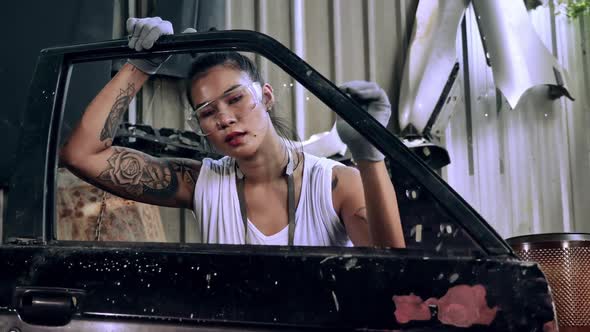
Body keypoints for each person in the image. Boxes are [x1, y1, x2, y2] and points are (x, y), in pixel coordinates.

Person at [59, 17, 405, 248]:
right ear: (200, 126)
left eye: (236, 99)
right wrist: (141, 66)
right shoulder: (201, 183)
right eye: (207, 112)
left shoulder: (334, 184)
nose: (224, 118)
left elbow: (392, 277)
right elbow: (82, 155)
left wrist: (369, 154)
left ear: (266, 96)